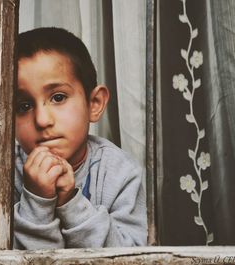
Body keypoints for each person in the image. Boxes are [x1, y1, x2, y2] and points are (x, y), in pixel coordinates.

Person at [13, 27, 147, 249]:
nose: (42, 120)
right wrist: (37, 200)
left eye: (58, 97)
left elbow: (129, 257)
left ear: (94, 104)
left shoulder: (119, 173)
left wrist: (70, 203)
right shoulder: (3, 176)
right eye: (23, 106)